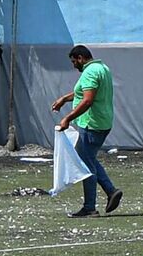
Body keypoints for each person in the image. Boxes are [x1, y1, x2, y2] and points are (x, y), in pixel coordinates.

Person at [52, 45, 124, 217]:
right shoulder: (102, 68)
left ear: (80, 58)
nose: (73, 65)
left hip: (92, 124)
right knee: (88, 159)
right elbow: (83, 92)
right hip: (102, 122)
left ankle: (90, 207)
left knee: (85, 164)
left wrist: (67, 118)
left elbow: (87, 100)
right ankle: (110, 191)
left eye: (73, 62)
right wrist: (64, 98)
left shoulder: (90, 72)